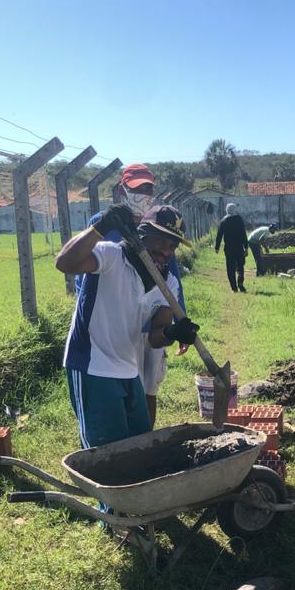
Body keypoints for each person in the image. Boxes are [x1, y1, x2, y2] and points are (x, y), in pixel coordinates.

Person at [57, 204, 199, 450]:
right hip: (93, 365)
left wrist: (172, 333)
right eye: (161, 242)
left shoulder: (168, 283)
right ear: (142, 235)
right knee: (104, 454)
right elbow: (65, 263)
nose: (166, 252)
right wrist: (99, 228)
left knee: (139, 444)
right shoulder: (111, 256)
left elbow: (155, 337)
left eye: (172, 246)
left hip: (129, 369)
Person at [79, 163, 187, 427]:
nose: (143, 194)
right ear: (122, 190)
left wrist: (180, 319)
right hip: (117, 324)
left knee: (148, 387)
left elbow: (170, 274)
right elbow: (86, 269)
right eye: (136, 188)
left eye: (148, 189)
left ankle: (145, 439)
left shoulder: (160, 223)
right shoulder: (105, 223)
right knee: (124, 386)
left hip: (153, 319)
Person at [215, 201, 248, 292]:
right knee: (240, 266)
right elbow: (243, 233)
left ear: (227, 210)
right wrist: (246, 246)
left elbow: (219, 235)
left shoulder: (223, 221)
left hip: (229, 248)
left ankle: (234, 288)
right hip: (239, 247)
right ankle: (240, 283)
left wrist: (217, 246)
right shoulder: (239, 219)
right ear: (235, 210)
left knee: (230, 268)